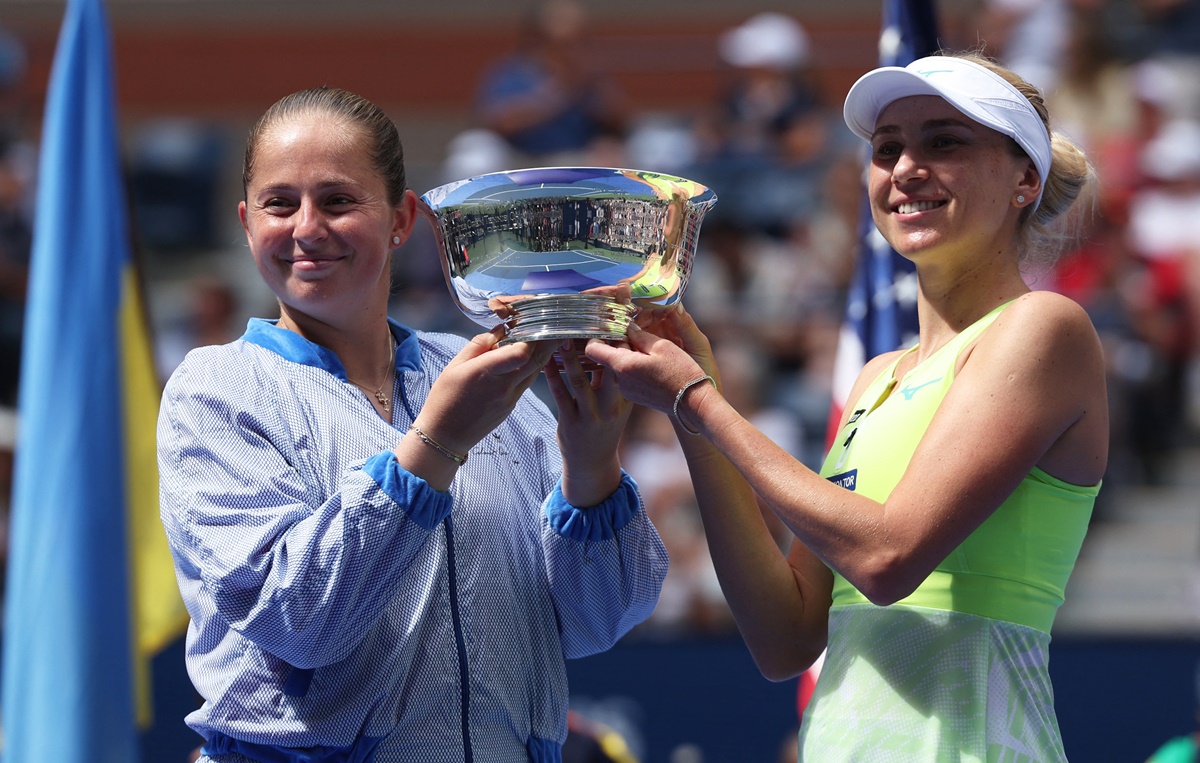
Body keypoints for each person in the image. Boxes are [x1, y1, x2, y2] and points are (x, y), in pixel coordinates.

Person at [586, 51, 1107, 760]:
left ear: (1024, 179)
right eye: (887, 148)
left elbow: (888, 555)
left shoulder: (1045, 326)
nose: (905, 168)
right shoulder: (873, 379)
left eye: (944, 142)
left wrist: (699, 399)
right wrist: (692, 409)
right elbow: (785, 636)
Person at [156, 86, 667, 763]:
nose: (307, 227)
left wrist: (593, 463)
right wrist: (437, 445)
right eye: (281, 203)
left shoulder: (472, 369)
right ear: (247, 222)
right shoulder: (216, 388)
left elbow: (598, 618)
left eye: (338, 200)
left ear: (402, 219)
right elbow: (300, 618)